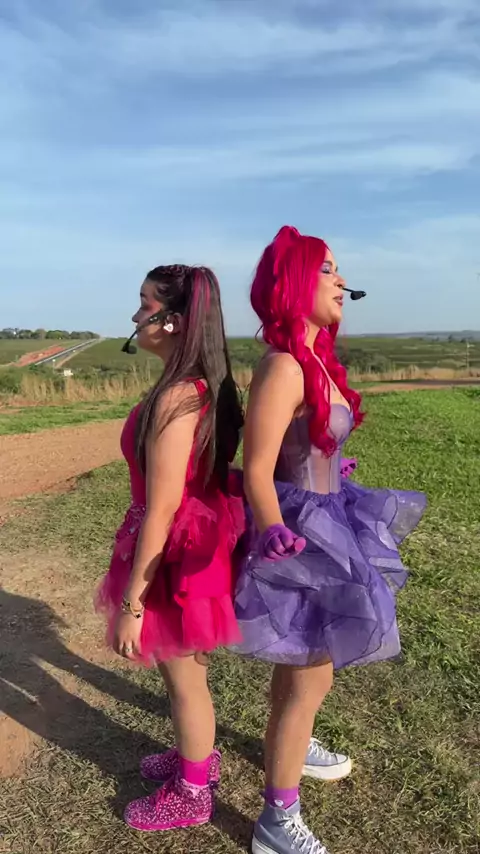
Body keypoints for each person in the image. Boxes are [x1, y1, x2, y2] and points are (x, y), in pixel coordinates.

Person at [232, 226, 427, 854]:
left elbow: (307, 445)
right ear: (293, 283)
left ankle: (294, 740)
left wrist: (331, 465)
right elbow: (256, 469)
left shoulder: (314, 358)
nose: (341, 281)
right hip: (300, 534)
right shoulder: (284, 366)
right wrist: (273, 530)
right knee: (311, 673)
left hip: (329, 515)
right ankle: (276, 821)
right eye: (327, 269)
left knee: (309, 666)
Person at [96, 263, 245, 832]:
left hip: (171, 555)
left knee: (184, 679)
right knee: (182, 672)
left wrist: (132, 603)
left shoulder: (179, 397)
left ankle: (193, 792)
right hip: (179, 546)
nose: (136, 316)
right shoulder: (190, 386)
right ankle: (196, 756)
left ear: (174, 320)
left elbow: (161, 508)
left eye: (145, 304)